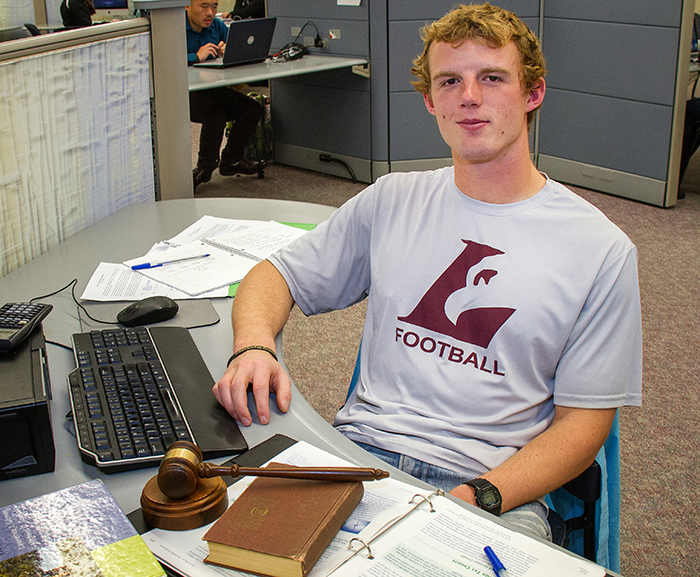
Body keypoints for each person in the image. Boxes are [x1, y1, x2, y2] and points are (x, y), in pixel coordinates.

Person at [213, 3, 642, 540]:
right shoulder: (394, 198)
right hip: (359, 453)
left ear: (533, 94)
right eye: (449, 81)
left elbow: (585, 425)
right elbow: (275, 274)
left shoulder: (601, 250)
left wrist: (480, 495)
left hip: (491, 485)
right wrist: (253, 344)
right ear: (430, 101)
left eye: (491, 78)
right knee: (226, 550)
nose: (469, 97)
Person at [186, 0, 266, 189]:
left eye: (214, 6)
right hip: (181, 92)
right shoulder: (171, 26)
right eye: (204, 6)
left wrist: (227, 52)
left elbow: (238, 51)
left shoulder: (218, 26)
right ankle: (204, 169)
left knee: (251, 108)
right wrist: (195, 57)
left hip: (211, 88)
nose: (210, 13)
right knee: (214, 114)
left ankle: (231, 160)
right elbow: (161, 60)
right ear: (187, 6)